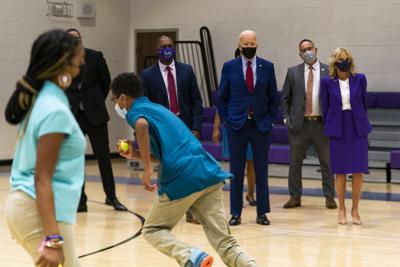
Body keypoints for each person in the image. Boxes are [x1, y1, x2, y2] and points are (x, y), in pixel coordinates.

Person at [111, 72, 256, 267]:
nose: (116, 106)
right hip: (207, 171)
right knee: (225, 242)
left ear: (122, 98)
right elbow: (163, 154)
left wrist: (146, 169)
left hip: (182, 177)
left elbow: (141, 125)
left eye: (114, 100)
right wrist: (135, 154)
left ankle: (191, 257)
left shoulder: (135, 111)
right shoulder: (158, 109)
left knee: (152, 229)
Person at [4, 30, 85, 267]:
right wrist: (51, 238)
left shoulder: (41, 100)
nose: (82, 64)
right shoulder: (54, 109)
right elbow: (41, 177)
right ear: (63, 63)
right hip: (37, 208)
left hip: (27, 207)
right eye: (79, 59)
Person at [217, 30, 279, 226]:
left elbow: (274, 97)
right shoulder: (229, 67)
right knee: (236, 170)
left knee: (261, 170)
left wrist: (269, 119)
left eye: (253, 44)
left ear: (257, 44)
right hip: (237, 125)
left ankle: (262, 213)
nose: (249, 47)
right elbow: (221, 97)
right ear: (239, 45)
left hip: (261, 125)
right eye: (246, 44)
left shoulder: (267, 67)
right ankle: (236, 213)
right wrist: (227, 119)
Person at [141, 35, 204, 223]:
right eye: (163, 46)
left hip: (185, 127)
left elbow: (196, 102)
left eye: (170, 46)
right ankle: (165, 213)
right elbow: (146, 105)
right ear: (157, 50)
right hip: (163, 129)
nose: (167, 48)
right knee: (166, 171)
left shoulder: (186, 70)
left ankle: (191, 212)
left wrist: (196, 128)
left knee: (190, 171)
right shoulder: (148, 75)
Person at [66, 28, 126, 212]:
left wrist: (95, 100)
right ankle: (80, 201)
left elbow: (105, 81)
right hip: (74, 115)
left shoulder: (95, 56)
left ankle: (112, 197)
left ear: (81, 39)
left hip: (96, 114)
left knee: (104, 157)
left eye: (77, 38)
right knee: (76, 159)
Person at [281, 39, 337, 209]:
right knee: (295, 163)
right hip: (299, 125)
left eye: (309, 48)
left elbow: (334, 98)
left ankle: (329, 197)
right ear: (300, 54)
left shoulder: (329, 71)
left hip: (321, 124)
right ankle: (295, 197)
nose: (307, 52)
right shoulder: (293, 72)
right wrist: (286, 118)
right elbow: (285, 98)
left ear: (316, 49)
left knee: (327, 162)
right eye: (303, 50)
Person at [320, 47, 372, 225]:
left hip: (357, 127)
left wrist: (363, 124)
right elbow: (325, 108)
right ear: (334, 62)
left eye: (347, 58)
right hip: (337, 128)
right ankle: (341, 209)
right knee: (340, 172)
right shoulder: (327, 81)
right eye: (341, 59)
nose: (345, 61)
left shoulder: (360, 79)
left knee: (358, 170)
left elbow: (363, 104)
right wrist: (330, 127)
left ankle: (355, 210)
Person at [213, 48, 256, 206]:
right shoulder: (230, 75)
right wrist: (216, 128)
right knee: (236, 165)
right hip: (234, 125)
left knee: (252, 163)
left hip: (252, 124)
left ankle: (251, 194)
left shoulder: (255, 75)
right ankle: (236, 197)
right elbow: (220, 103)